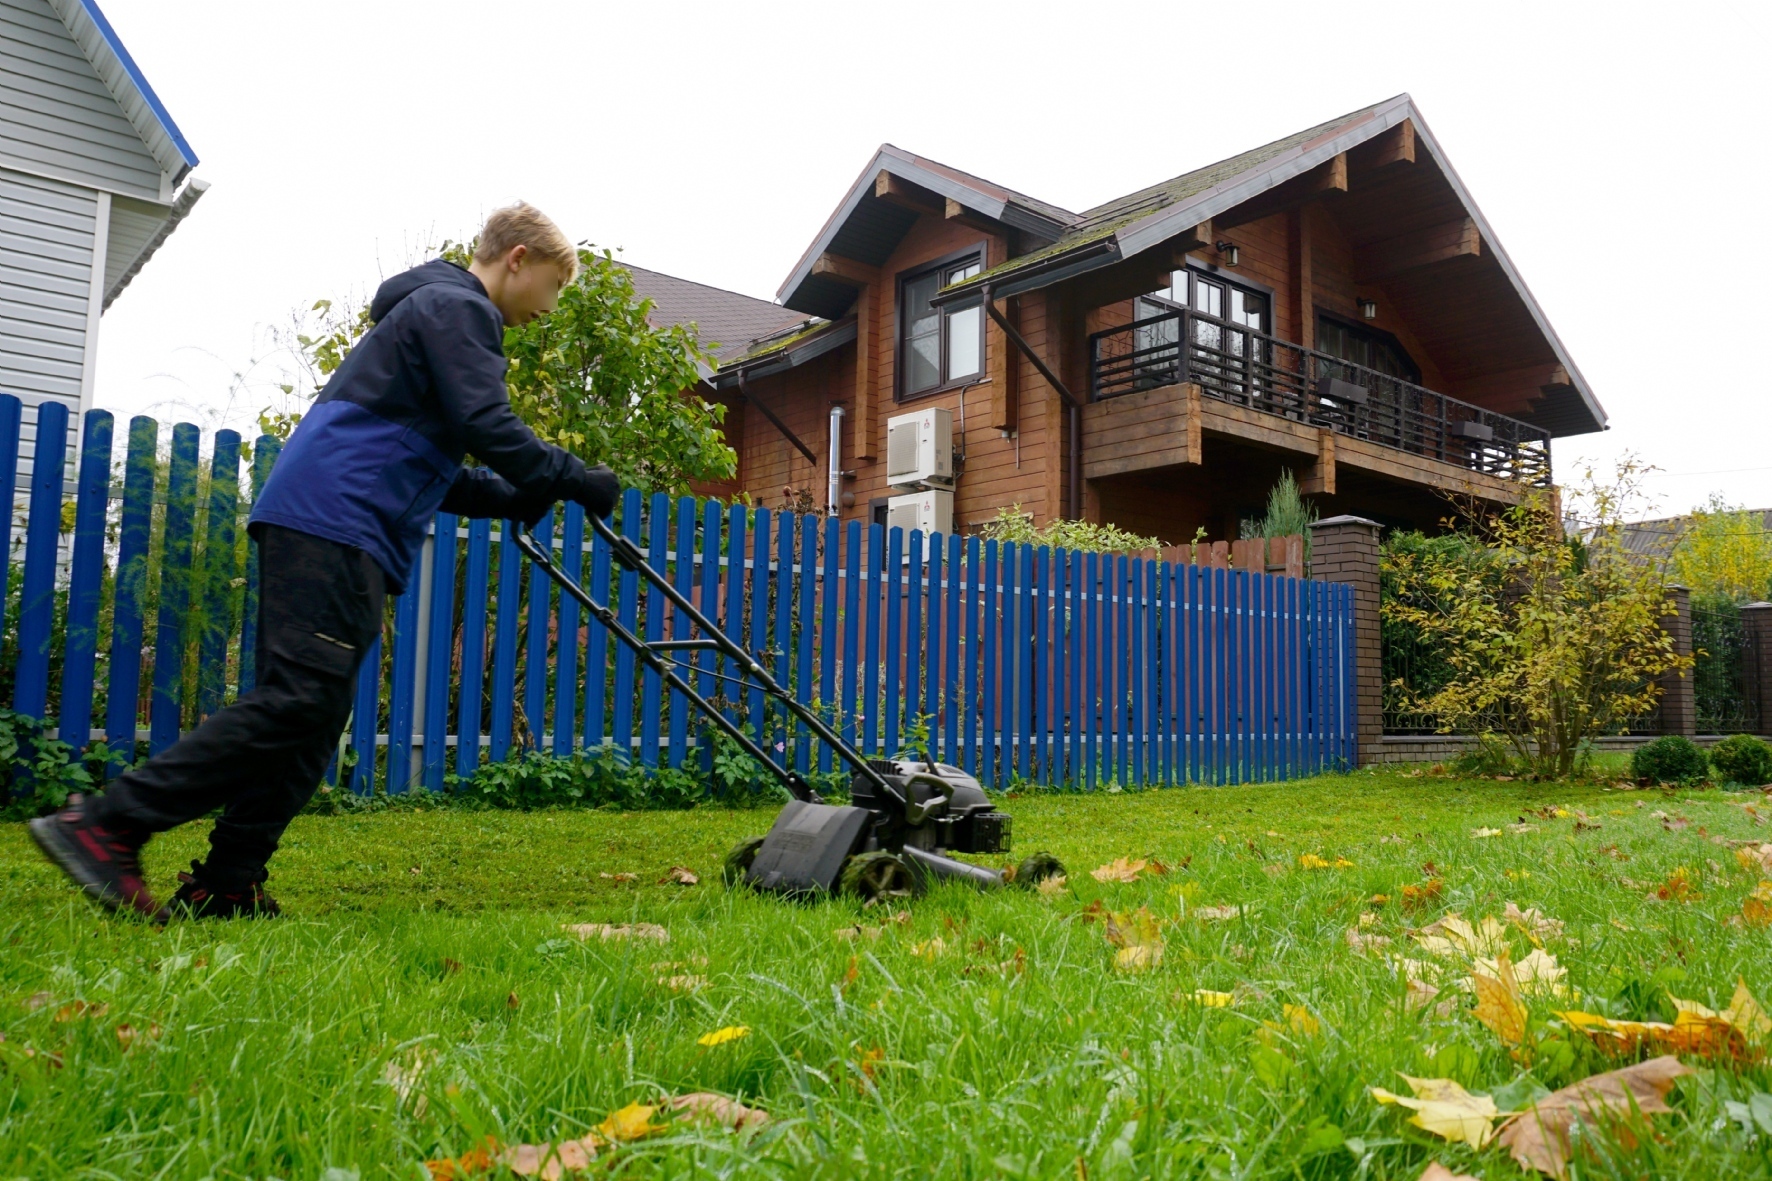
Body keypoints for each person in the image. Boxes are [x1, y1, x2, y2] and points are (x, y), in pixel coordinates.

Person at [30, 203, 619, 921]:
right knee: (301, 697)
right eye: (555, 286)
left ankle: (229, 880)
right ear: (519, 258)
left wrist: (512, 496)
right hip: (335, 520)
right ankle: (109, 823)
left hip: (335, 516)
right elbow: (485, 424)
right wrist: (569, 474)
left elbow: (432, 463)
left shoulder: (428, 316)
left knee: (314, 713)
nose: (550, 310)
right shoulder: (458, 310)